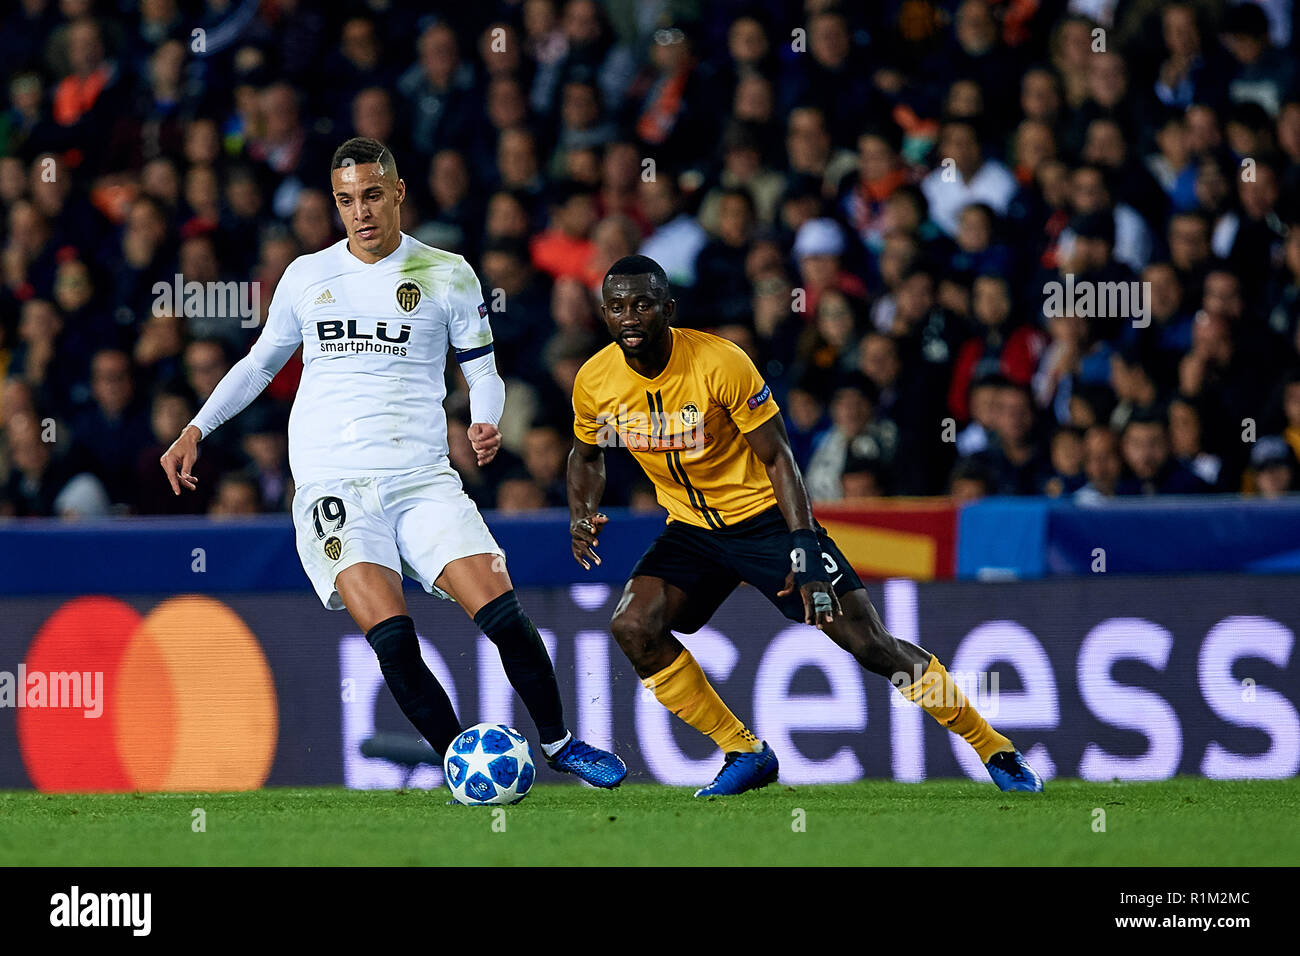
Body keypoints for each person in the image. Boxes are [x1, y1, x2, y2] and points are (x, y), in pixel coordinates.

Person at [161, 137, 625, 789]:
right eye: (347, 200)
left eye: (373, 195)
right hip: (333, 487)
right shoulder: (307, 275)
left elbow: (483, 370)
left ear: (399, 192)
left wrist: (486, 417)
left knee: (504, 615)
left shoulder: (448, 273)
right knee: (393, 638)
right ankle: (460, 761)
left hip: (423, 479)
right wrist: (196, 427)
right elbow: (259, 364)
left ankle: (559, 742)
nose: (362, 211)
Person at [566, 255, 1042, 797]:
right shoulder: (595, 380)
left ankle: (994, 748)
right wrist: (582, 509)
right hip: (692, 528)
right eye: (617, 306)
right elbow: (586, 454)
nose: (629, 316)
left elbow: (780, 458)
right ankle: (745, 751)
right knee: (633, 626)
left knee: (870, 644)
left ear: (668, 309)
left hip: (766, 519)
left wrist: (805, 545)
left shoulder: (721, 362)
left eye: (642, 304)